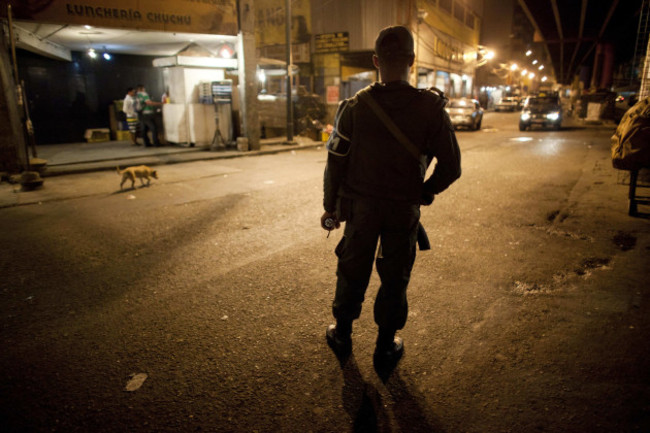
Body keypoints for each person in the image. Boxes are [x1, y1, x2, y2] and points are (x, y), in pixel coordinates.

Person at [321, 25, 461, 375]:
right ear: (412, 61)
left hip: (361, 209)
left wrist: (329, 207)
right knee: (395, 275)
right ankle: (385, 348)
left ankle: (343, 335)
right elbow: (452, 166)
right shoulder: (430, 108)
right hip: (403, 210)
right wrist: (424, 192)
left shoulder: (353, 108)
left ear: (375, 61)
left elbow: (335, 161)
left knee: (352, 270)